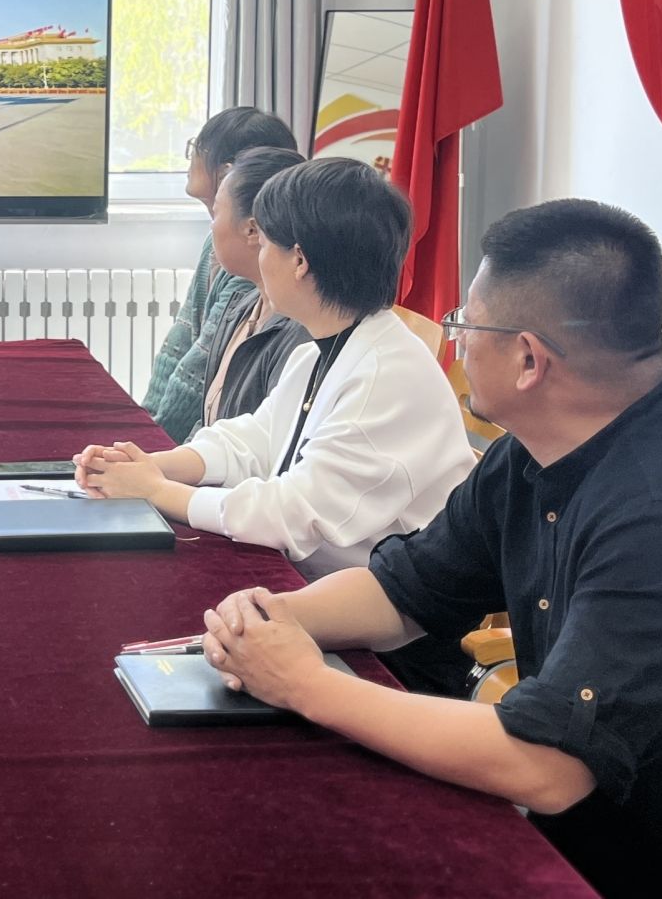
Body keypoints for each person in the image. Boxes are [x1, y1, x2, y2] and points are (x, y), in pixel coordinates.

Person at [199, 200, 662, 897]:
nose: (455, 341)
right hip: (617, 839)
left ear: (528, 359)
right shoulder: (537, 451)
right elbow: (406, 588)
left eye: (465, 324)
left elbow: (544, 765)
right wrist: (269, 619)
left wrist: (307, 685)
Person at [76, 157, 475, 692]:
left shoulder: (386, 374)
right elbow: (255, 439)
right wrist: (155, 465)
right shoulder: (325, 348)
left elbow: (289, 513)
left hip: (393, 652)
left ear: (300, 261)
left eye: (265, 243)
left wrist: (157, 492)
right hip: (316, 598)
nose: (258, 258)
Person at [141, 106, 298, 444]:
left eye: (199, 147)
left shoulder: (255, 275)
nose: (192, 157)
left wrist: (156, 449)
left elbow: (200, 383)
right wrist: (145, 427)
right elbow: (181, 343)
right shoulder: (223, 247)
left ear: (229, 170)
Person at [195, 146, 313, 424]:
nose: (212, 226)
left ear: (253, 230)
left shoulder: (303, 334)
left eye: (216, 213)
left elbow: (269, 440)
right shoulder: (241, 305)